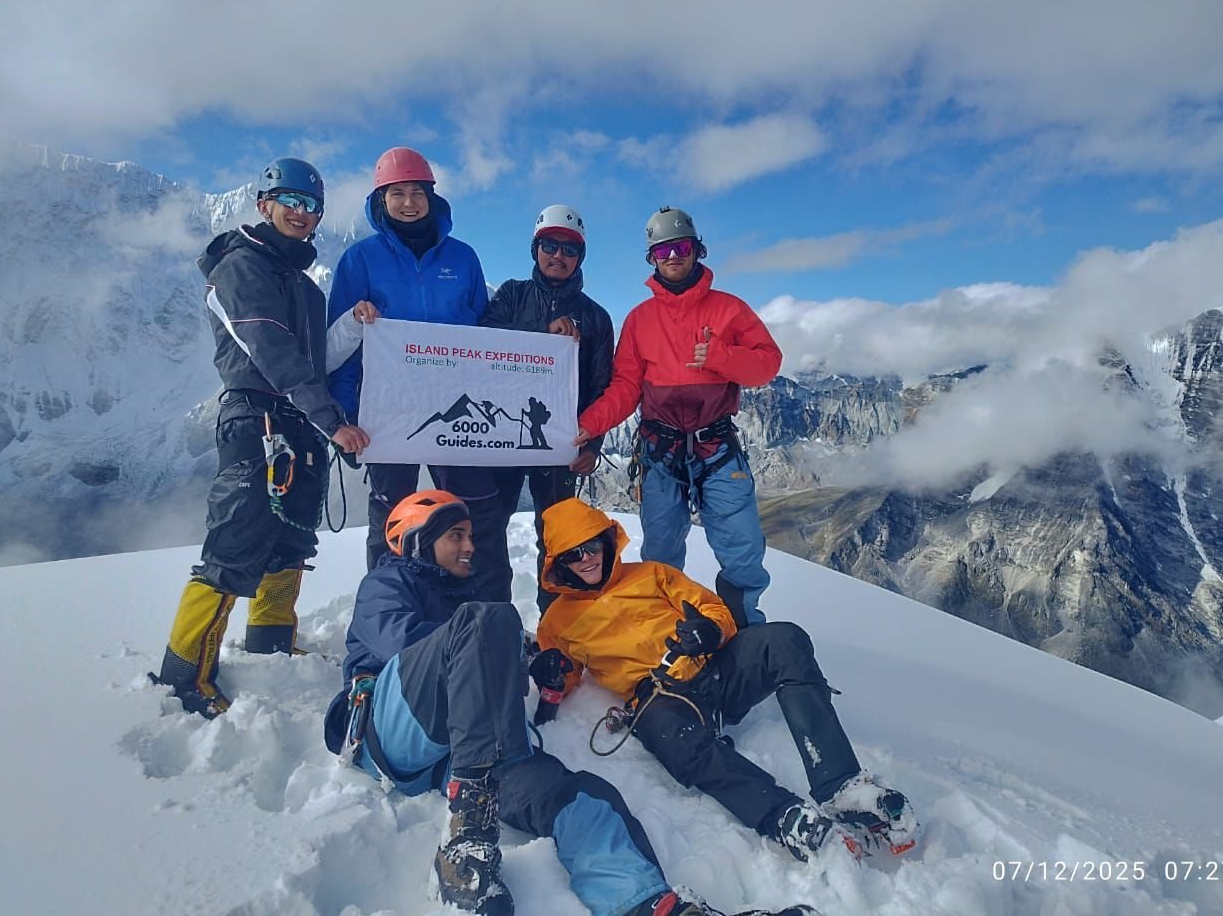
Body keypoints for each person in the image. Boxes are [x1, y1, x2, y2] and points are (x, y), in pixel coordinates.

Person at [323, 490, 814, 916]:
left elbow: (489, 670)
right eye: (456, 536)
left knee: (582, 798)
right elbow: (399, 644)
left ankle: (648, 903)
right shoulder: (388, 585)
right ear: (415, 540)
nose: (470, 546)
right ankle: (467, 835)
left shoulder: (465, 608)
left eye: (470, 535)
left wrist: (533, 665)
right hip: (394, 729)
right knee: (489, 618)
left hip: (466, 751)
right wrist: (494, 640)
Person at [536, 498, 921, 863]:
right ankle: (783, 817)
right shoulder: (557, 622)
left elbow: (712, 609)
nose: (586, 559)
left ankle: (841, 785)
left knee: (783, 640)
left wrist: (710, 631)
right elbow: (563, 678)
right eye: (573, 554)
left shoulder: (652, 574)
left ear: (606, 541)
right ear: (559, 564)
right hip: (660, 698)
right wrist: (550, 678)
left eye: (591, 546)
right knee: (676, 741)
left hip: (716, 667)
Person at [154, 157, 370, 719]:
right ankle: (184, 675)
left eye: (312, 205)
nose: (302, 213)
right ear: (264, 204)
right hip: (256, 421)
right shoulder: (241, 266)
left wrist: (353, 328)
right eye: (291, 201)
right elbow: (269, 350)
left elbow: (315, 362)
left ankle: (271, 642)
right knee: (234, 545)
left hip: (296, 425)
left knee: (290, 540)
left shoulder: (305, 288)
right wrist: (332, 422)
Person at [573, 207, 779, 628]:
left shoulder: (730, 310)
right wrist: (590, 424)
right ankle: (667, 630)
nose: (672, 257)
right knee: (661, 550)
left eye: (680, 248)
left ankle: (744, 630)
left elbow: (767, 365)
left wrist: (722, 358)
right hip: (661, 448)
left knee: (741, 549)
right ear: (651, 258)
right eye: (663, 250)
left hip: (715, 445)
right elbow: (625, 387)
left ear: (697, 250)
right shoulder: (639, 320)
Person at [327, 147, 508, 598]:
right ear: (381, 200)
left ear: (431, 196)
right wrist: (346, 414)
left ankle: (488, 614)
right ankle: (388, 614)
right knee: (393, 518)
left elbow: (485, 335)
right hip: (388, 413)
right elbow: (339, 347)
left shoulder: (463, 259)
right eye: (397, 193)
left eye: (417, 192)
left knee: (477, 514)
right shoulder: (360, 260)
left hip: (459, 410)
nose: (408, 203)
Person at [478, 205, 614, 611]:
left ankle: (556, 625)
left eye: (569, 249)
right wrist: (542, 333)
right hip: (502, 434)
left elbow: (601, 385)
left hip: (560, 444)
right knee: (489, 530)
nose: (558, 255)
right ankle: (493, 620)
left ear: (580, 257)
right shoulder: (511, 294)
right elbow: (484, 342)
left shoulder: (596, 317)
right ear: (535, 249)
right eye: (550, 246)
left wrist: (592, 444)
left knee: (558, 537)